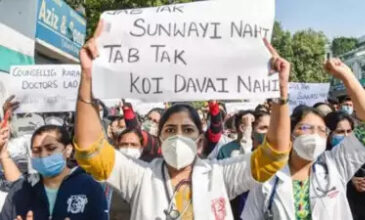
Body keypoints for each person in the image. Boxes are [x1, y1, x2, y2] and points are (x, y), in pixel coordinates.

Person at [74, 21, 291, 220]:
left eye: (187, 130)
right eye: (170, 130)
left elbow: (274, 155)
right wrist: (87, 76)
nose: (178, 135)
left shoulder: (220, 174)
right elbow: (89, 151)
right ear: (159, 137)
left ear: (199, 140)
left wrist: (281, 93)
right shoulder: (140, 177)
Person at [242, 58, 365, 220]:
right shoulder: (267, 178)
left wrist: (346, 76)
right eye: (306, 128)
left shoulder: (334, 165)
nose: (314, 135)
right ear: (291, 133)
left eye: (321, 130)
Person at [0, 125, 108, 220]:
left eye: (51, 148)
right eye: (36, 150)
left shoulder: (89, 187)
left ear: (68, 150)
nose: (43, 155)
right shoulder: (20, 189)